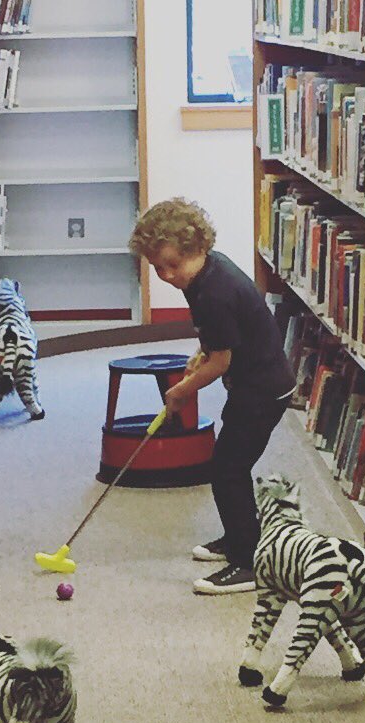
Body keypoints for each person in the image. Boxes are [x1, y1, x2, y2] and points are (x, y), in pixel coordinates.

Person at [128, 198, 295, 594]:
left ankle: (249, 562)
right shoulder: (205, 275)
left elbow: (222, 362)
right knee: (228, 466)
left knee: (227, 470)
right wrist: (201, 355)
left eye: (173, 264)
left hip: (262, 390)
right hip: (254, 382)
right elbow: (220, 342)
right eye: (157, 267)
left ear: (198, 248)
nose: (167, 275)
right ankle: (239, 537)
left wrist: (183, 390)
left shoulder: (215, 292)